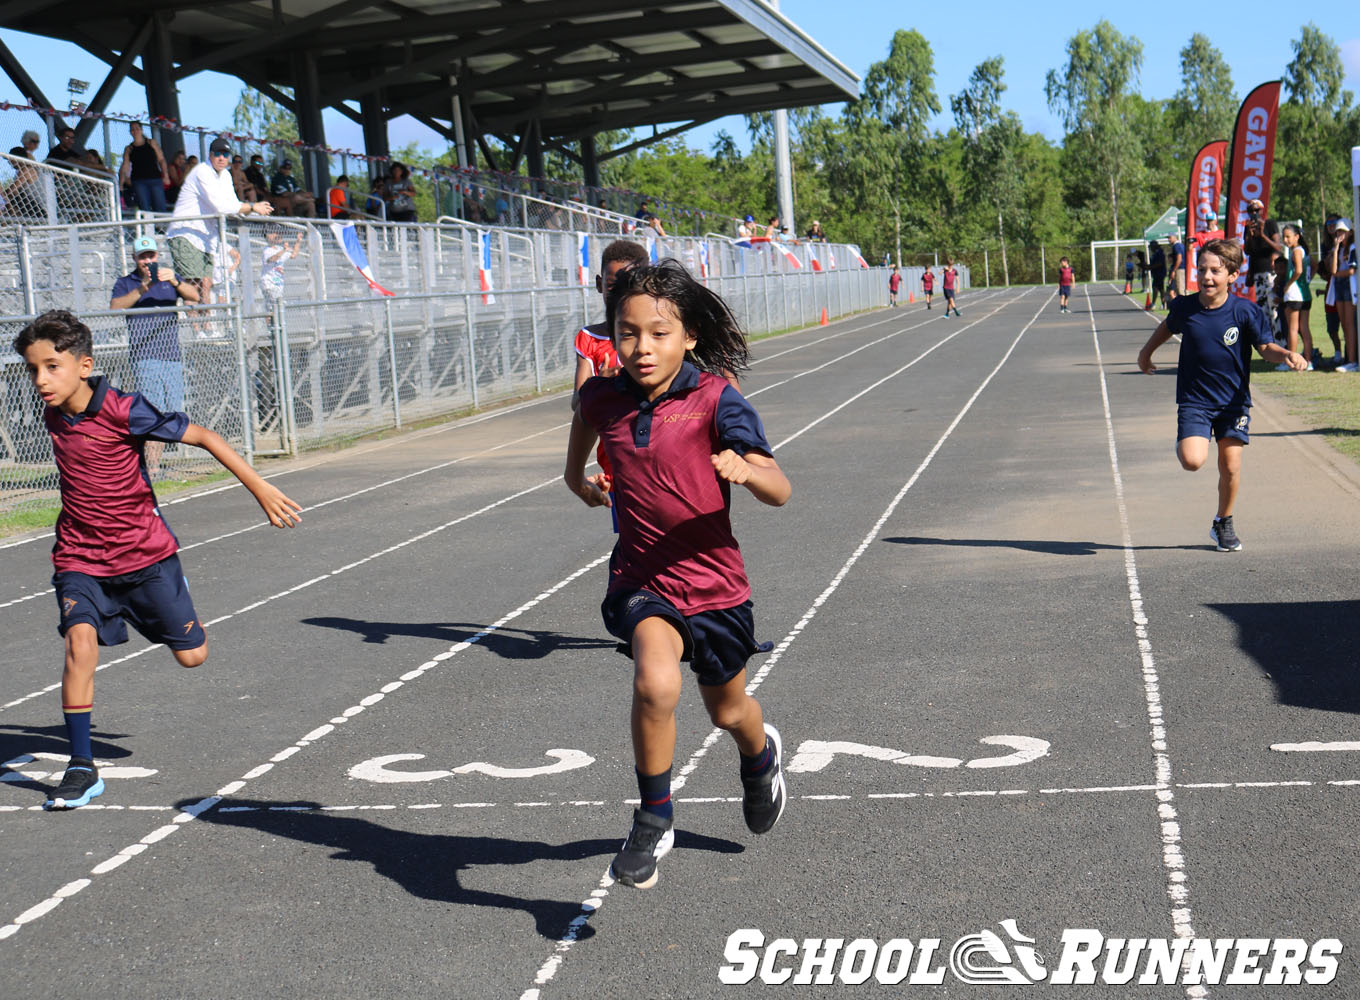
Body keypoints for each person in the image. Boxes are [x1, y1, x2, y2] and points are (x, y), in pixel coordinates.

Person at [12, 309, 301, 810]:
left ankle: (160, 611)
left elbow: (206, 437)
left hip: (145, 557)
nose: (41, 380)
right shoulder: (53, 411)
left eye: (51, 366)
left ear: (85, 365)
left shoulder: (125, 409)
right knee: (79, 645)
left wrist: (260, 488)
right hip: (80, 557)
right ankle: (81, 766)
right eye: (33, 369)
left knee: (193, 656)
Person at [565, 260, 790, 889]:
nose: (641, 347)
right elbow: (584, 421)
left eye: (659, 333)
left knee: (729, 712)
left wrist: (748, 473)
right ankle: (653, 816)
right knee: (654, 683)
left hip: (716, 588)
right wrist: (575, 479)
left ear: (688, 336)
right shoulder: (602, 395)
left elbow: (781, 487)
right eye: (627, 332)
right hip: (642, 580)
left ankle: (760, 753)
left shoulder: (717, 399)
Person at [1135, 238, 1306, 552]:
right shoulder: (1185, 307)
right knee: (1192, 461)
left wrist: (1286, 355)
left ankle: (1223, 521)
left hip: (1233, 402)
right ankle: (1189, 437)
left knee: (1230, 466)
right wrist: (1146, 354)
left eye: (1215, 270)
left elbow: (1266, 348)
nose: (1207, 277)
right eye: (1202, 270)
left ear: (1232, 275)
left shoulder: (1245, 311)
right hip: (1195, 400)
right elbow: (1167, 327)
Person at [110, 235, 200, 477]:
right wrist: (143, 287)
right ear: (135, 259)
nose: (147, 260)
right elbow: (115, 307)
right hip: (144, 356)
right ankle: (150, 467)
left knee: (172, 410)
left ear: (157, 256)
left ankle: (153, 465)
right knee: (152, 411)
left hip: (172, 356)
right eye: (142, 257)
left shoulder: (167, 278)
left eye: (151, 255)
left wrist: (176, 282)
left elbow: (195, 296)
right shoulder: (127, 282)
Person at [166, 136, 273, 305]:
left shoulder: (225, 176)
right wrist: (252, 207)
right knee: (193, 286)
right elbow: (221, 207)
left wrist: (258, 211)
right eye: (218, 154)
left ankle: (208, 326)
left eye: (225, 154)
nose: (222, 158)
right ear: (210, 155)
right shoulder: (202, 172)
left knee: (206, 285)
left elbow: (234, 204)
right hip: (186, 233)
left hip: (206, 237)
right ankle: (197, 331)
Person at [1278, 224, 1314, 369]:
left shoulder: (1296, 251)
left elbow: (1298, 270)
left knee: (1292, 329)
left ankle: (1291, 362)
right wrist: (1307, 281)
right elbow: (1314, 266)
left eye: (1288, 236)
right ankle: (1308, 361)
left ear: (1297, 236)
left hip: (1294, 295)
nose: (1285, 240)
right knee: (1304, 328)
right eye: (1284, 237)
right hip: (1305, 295)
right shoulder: (1304, 251)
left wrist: (1288, 284)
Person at [118, 122, 169, 213]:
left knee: (160, 206)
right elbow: (125, 166)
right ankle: (147, 226)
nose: (135, 131)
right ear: (130, 132)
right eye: (132, 129)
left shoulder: (151, 143)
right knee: (144, 207)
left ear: (141, 130)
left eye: (137, 128)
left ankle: (161, 227)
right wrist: (121, 183)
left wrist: (165, 174)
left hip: (155, 178)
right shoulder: (129, 148)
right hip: (139, 181)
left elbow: (161, 159)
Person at [1242, 198, 1282, 307]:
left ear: (1262, 211)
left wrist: (1263, 235)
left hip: (1271, 271)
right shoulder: (1248, 227)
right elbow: (1247, 251)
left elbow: (1278, 247)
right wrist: (1249, 236)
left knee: (1273, 305)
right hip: (1257, 272)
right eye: (1250, 211)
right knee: (1262, 305)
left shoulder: (1269, 224)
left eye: (1256, 210)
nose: (1253, 213)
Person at [1331, 220, 1357, 372]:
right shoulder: (1341, 249)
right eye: (1338, 231)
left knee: (1349, 324)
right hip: (1339, 285)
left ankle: (1352, 360)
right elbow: (1333, 269)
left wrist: (1337, 274)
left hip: (1348, 285)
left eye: (1343, 231)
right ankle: (1349, 358)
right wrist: (1335, 249)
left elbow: (1351, 271)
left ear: (1350, 232)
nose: (1340, 234)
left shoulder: (1353, 247)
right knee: (1344, 325)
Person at [259, 225, 304, 308]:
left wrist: (298, 241)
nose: (278, 235)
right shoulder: (267, 250)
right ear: (269, 235)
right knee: (275, 308)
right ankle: (274, 321)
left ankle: (276, 320)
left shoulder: (279, 248)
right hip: (269, 284)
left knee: (276, 308)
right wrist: (284, 250)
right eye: (275, 233)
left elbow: (293, 255)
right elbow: (272, 259)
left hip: (278, 283)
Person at [1167, 233, 1185, 301]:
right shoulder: (1181, 245)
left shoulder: (1176, 246)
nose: (1169, 239)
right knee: (1181, 289)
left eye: (1170, 237)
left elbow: (1179, 259)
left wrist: (1174, 270)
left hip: (1180, 269)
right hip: (1182, 269)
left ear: (1175, 237)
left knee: (1180, 289)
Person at [1148, 240, 1166, 309]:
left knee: (1156, 288)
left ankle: (1155, 304)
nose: (1151, 249)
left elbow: (1160, 263)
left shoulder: (1159, 253)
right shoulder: (1156, 253)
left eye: (1151, 247)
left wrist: (1151, 266)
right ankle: (1163, 304)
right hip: (1157, 273)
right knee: (1160, 289)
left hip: (1159, 273)